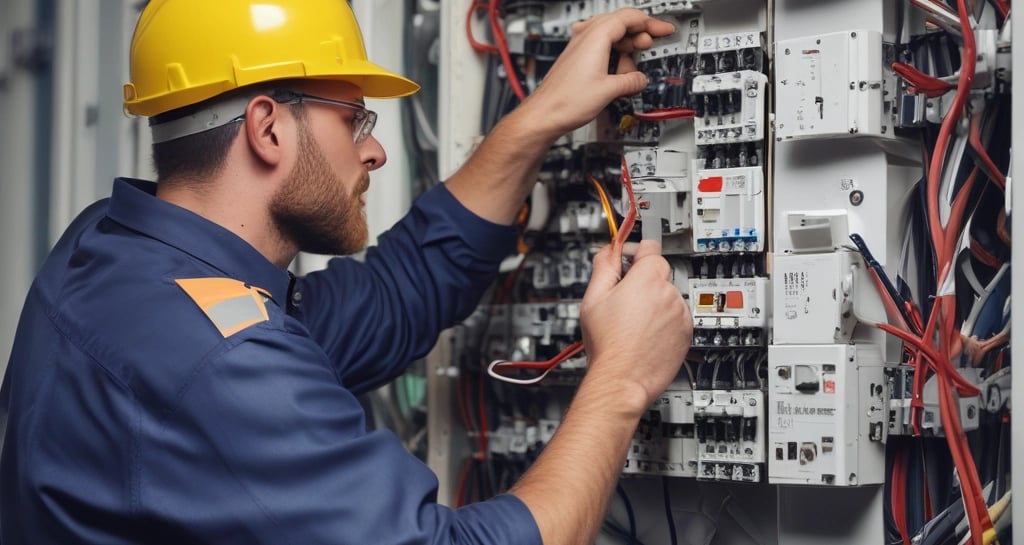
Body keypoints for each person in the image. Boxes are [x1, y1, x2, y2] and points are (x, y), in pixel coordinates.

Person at [0, 1, 692, 544]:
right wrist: (622, 377)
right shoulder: (217, 358)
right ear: (268, 129)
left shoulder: (115, 249)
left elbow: (400, 291)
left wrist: (535, 120)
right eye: (355, 119)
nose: (376, 151)